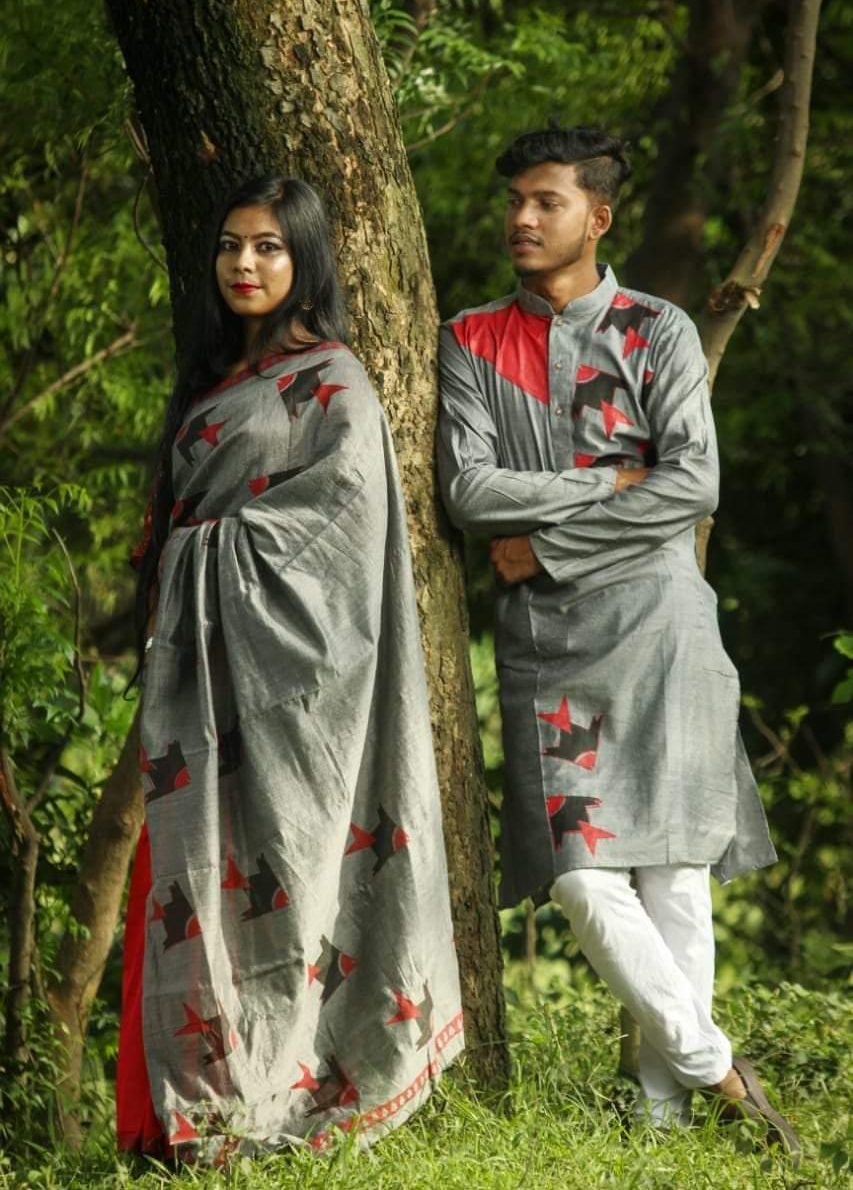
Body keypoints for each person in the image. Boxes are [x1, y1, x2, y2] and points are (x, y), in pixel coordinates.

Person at [436, 124, 798, 1155]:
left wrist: (546, 540)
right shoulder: (469, 339)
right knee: (580, 877)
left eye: (544, 201)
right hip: (548, 644)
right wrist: (609, 481)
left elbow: (694, 483)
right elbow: (470, 492)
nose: (520, 217)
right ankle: (719, 1070)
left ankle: (662, 1125)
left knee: (674, 877)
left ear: (596, 216)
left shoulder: (658, 330)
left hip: (664, 626)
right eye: (514, 199)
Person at [118, 175, 463, 1164]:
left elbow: (340, 537)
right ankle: (177, 1120)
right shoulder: (212, 379)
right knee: (182, 879)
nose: (244, 263)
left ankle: (266, 1095)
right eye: (231, 245)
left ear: (304, 260)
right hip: (197, 683)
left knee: (280, 884)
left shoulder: (335, 384)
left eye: (268, 246)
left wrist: (198, 551)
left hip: (292, 693)